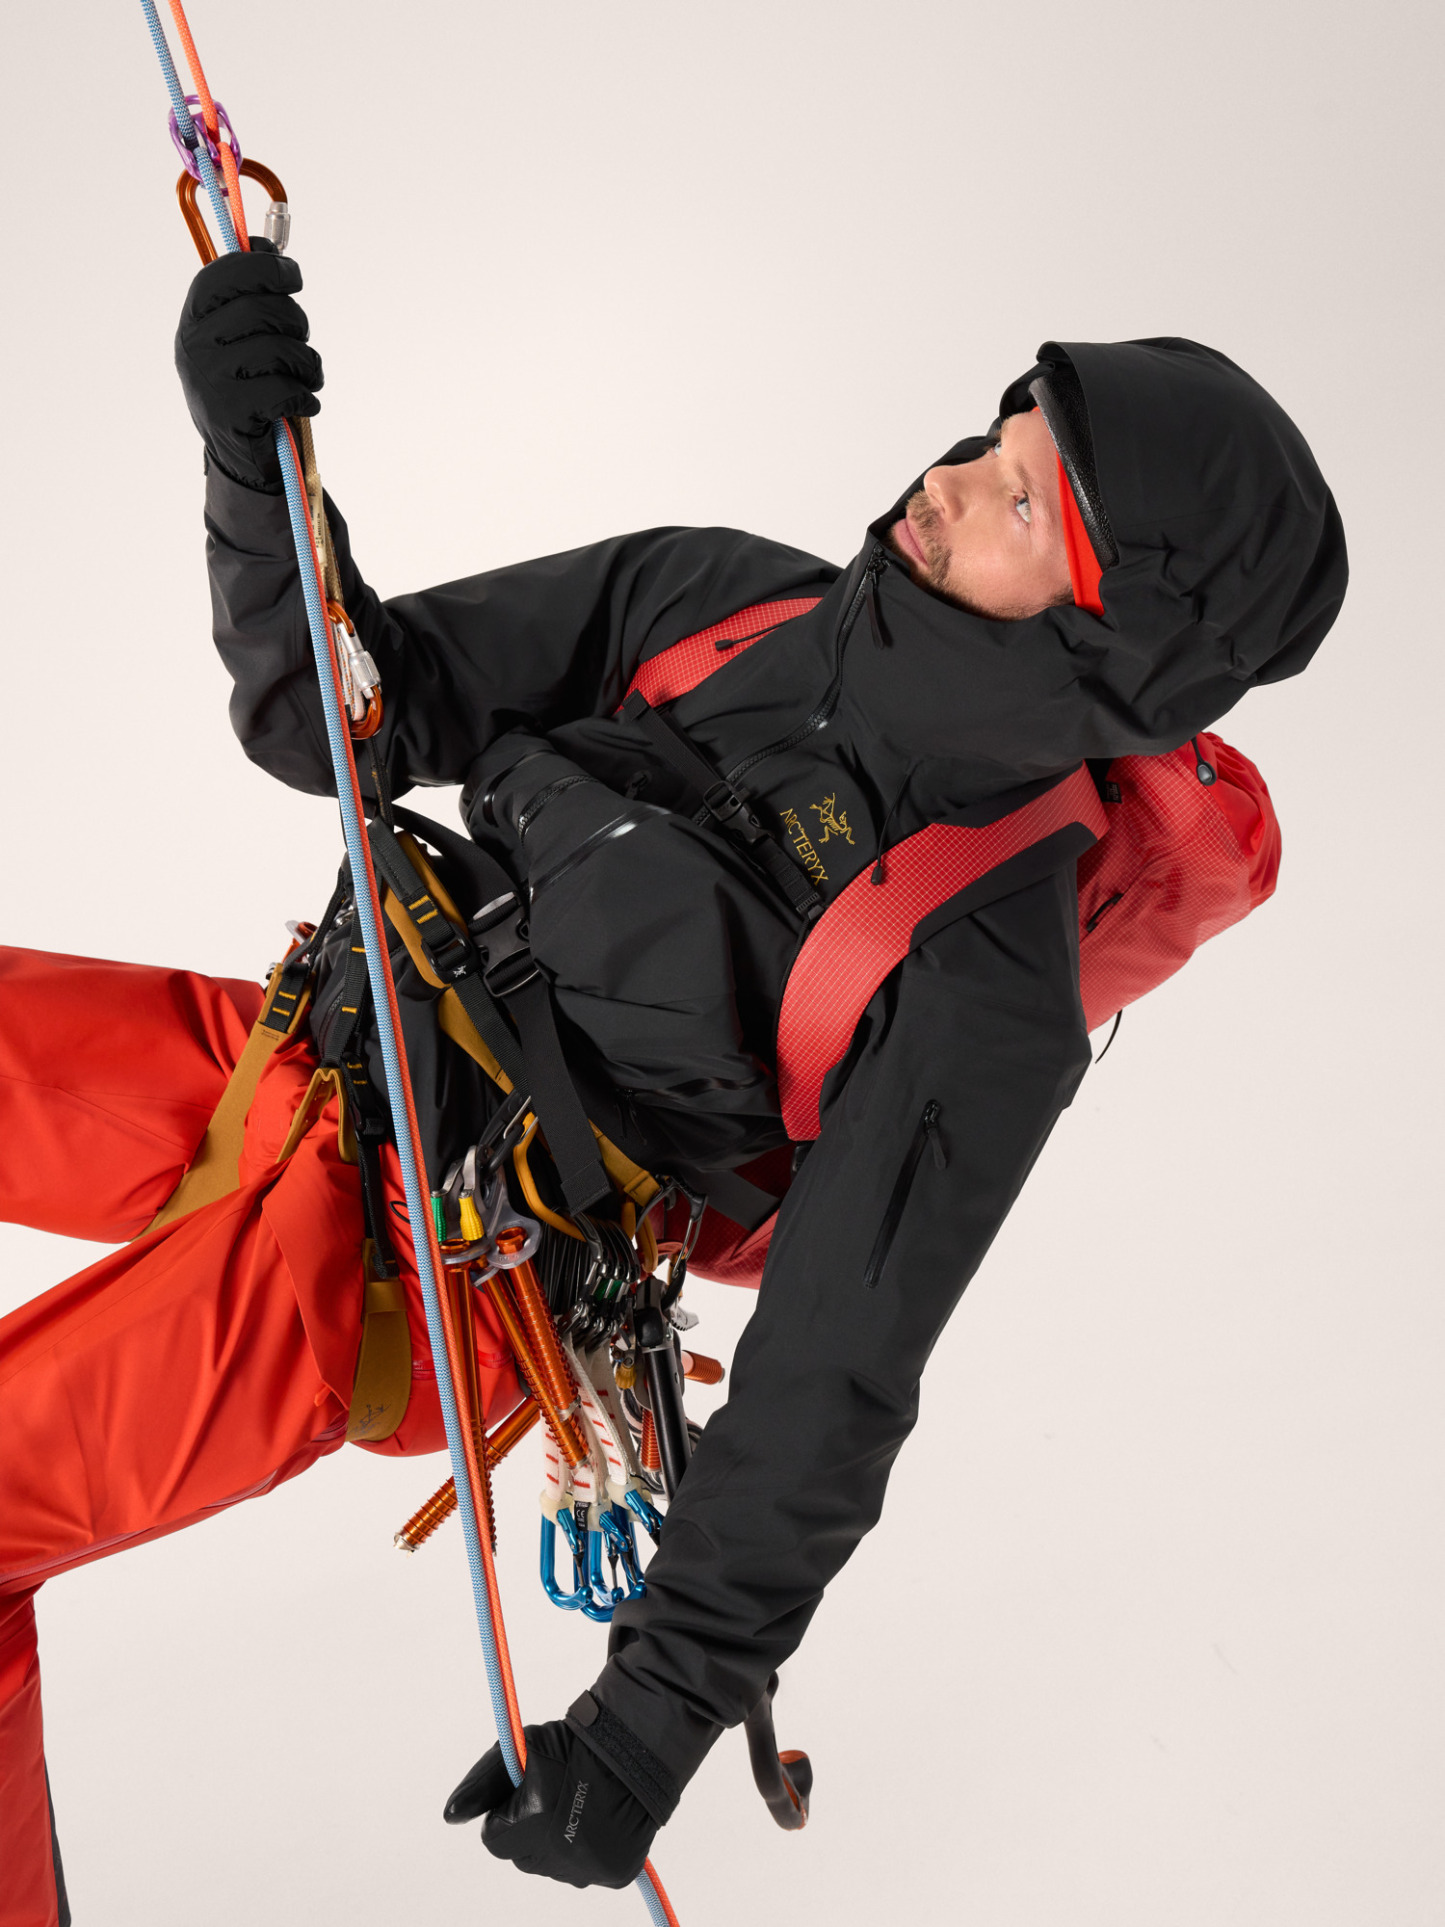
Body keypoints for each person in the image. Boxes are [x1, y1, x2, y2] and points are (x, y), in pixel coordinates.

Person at [0, 240, 1346, 1919]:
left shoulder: (976, 978)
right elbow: (350, 718)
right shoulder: (727, 600)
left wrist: (646, 1730)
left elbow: (829, 1381)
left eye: (1018, 503)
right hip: (306, 1053)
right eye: (990, 443)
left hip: (418, 1265)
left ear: (1105, 635)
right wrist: (252, 474)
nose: (943, 485)